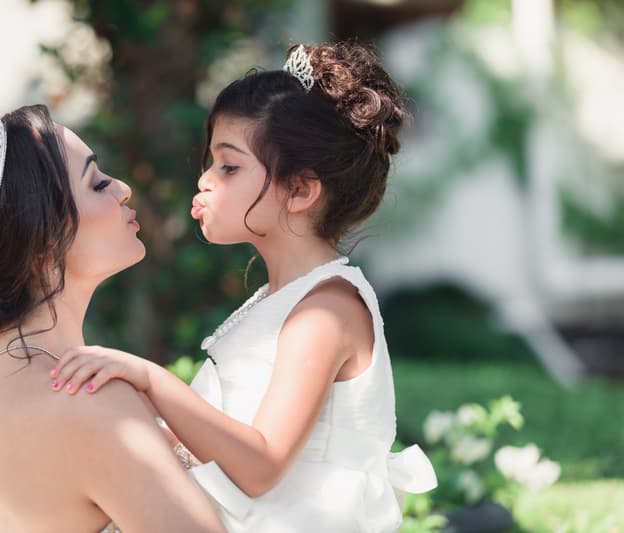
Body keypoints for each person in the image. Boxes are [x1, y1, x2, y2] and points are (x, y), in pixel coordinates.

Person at [50, 42, 438, 532]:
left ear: (300, 190)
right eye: (211, 163)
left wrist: (150, 379)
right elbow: (229, 449)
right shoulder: (277, 300)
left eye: (228, 166)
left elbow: (260, 465)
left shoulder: (325, 311)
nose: (205, 180)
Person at [0, 88, 224, 533]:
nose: (123, 189)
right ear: (41, 238)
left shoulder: (4, 370)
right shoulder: (88, 400)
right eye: (97, 183)